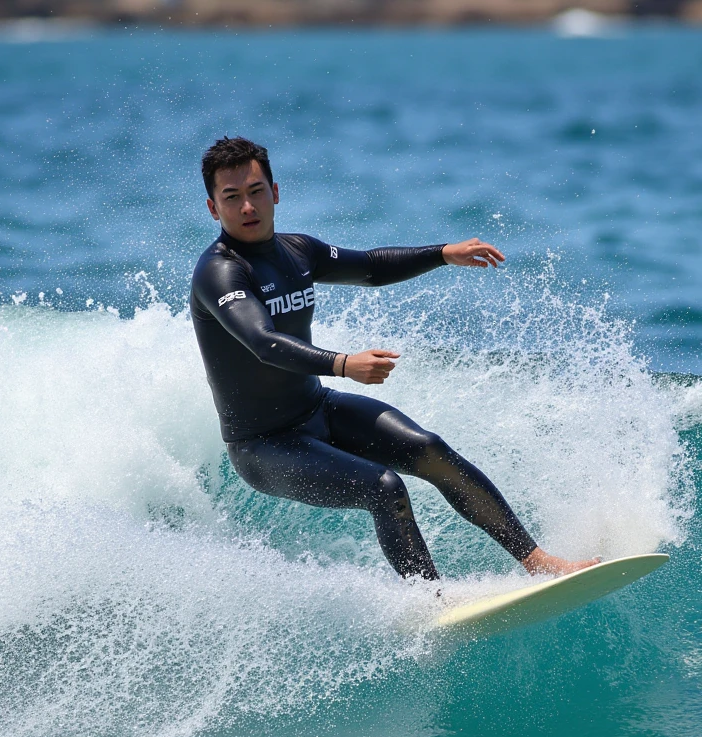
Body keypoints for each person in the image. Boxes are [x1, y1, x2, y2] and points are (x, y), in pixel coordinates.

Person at [190, 136, 597, 582]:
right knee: (384, 488)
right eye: (232, 198)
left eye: (255, 192)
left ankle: (537, 561)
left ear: (275, 192)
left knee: (430, 450)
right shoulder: (220, 272)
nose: (247, 207)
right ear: (214, 208)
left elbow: (369, 267)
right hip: (264, 444)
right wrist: (345, 363)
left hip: (317, 409)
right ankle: (433, 602)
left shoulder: (297, 250)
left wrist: (443, 254)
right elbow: (262, 342)